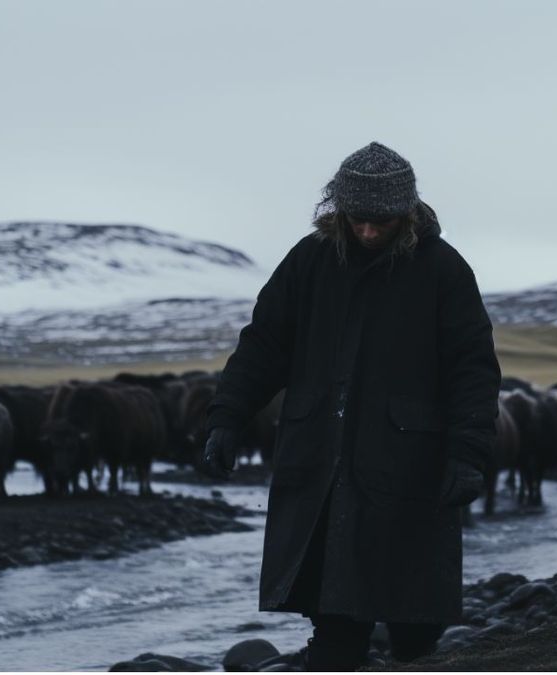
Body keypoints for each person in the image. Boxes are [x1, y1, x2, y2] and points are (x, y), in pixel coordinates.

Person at [200, 141, 500, 670]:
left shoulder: (443, 270)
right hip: (320, 455)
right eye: (357, 219)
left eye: (381, 221)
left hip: (410, 463)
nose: (367, 232)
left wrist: (468, 454)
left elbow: (472, 367)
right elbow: (264, 344)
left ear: (405, 213)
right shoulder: (308, 262)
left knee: (415, 620)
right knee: (332, 606)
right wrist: (227, 416)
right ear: (337, 209)